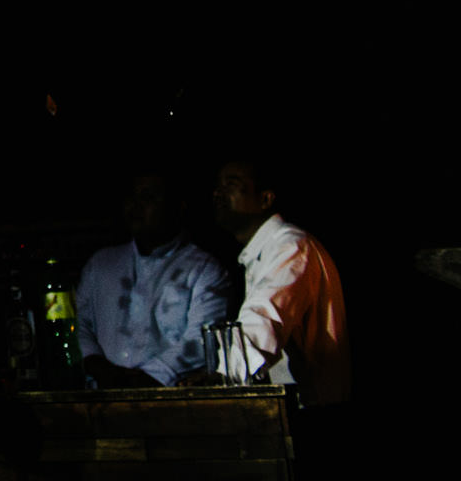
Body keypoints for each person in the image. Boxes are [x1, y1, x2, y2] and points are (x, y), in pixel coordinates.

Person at [74, 167, 236, 389]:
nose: (136, 205)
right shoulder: (101, 264)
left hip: (168, 402)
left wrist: (142, 380)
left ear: (177, 207)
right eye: (132, 196)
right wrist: (97, 366)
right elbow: (78, 323)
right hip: (100, 398)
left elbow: (201, 341)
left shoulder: (204, 269)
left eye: (148, 197)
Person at [210, 156, 350, 403]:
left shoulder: (291, 246)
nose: (218, 193)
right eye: (218, 185)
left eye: (231, 184)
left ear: (265, 199)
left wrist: (222, 377)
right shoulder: (268, 250)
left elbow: (264, 318)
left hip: (311, 413)